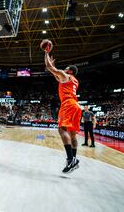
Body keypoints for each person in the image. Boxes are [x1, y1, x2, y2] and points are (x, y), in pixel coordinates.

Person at [43, 39, 81, 173]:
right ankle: (74, 160)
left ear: (69, 71)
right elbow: (57, 77)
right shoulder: (74, 80)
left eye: (66, 68)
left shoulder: (66, 75)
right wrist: (54, 72)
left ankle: (70, 160)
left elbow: (49, 67)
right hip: (76, 105)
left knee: (61, 129)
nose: (64, 69)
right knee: (72, 133)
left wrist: (46, 52)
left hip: (68, 104)